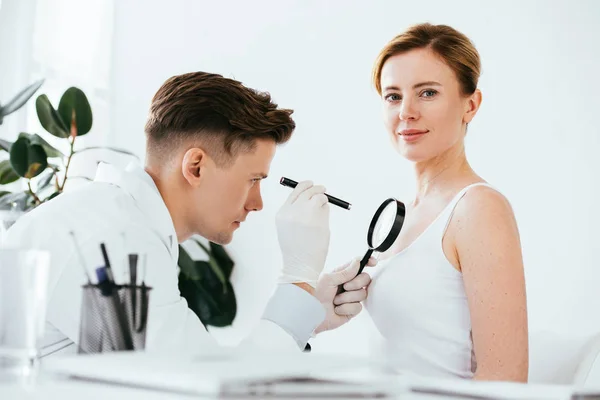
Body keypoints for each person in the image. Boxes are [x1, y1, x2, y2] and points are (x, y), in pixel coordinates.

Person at [3, 72, 370, 356]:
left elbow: (194, 367)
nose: (257, 202)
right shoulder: (109, 239)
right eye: (253, 179)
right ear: (196, 166)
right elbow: (194, 388)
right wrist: (299, 278)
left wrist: (309, 313)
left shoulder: (119, 222)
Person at [363, 23, 529, 381]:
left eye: (427, 93)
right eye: (393, 96)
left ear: (470, 105)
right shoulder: (407, 212)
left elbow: (506, 377)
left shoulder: (478, 208)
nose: (406, 111)